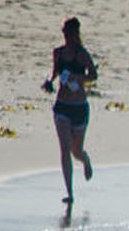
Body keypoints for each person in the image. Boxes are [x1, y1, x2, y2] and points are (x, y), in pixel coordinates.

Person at [42, 17, 97, 204]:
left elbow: (93, 75)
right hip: (62, 107)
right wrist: (49, 83)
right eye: (65, 33)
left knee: (76, 151)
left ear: (76, 34)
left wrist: (78, 78)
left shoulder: (82, 54)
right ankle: (70, 193)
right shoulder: (58, 53)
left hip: (79, 107)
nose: (67, 37)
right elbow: (55, 72)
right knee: (65, 149)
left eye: (71, 34)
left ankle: (86, 160)